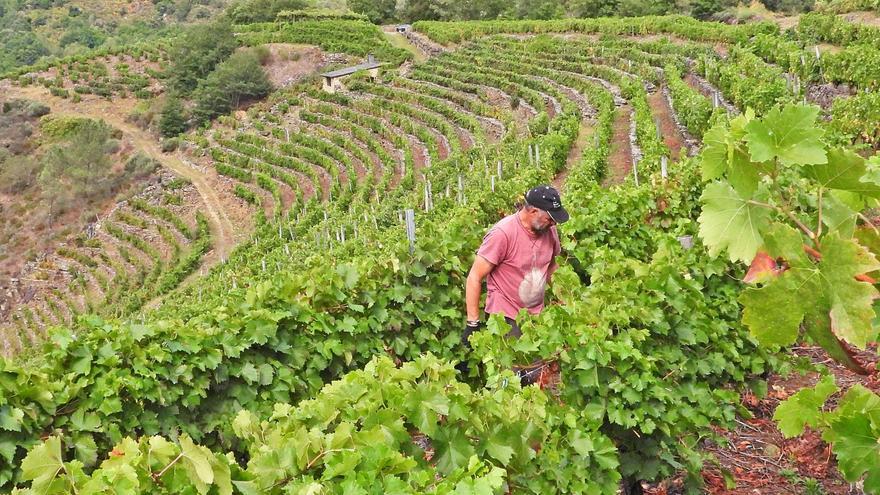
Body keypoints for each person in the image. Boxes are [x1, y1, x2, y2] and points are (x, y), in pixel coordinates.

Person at [463, 184, 569, 347]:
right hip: (507, 314)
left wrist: (566, 298)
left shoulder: (549, 231)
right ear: (533, 211)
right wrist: (472, 323)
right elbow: (474, 277)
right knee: (514, 369)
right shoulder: (503, 234)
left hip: (536, 313)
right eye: (550, 219)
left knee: (538, 368)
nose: (553, 224)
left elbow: (551, 266)